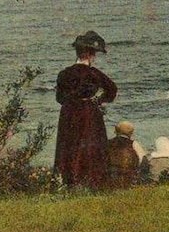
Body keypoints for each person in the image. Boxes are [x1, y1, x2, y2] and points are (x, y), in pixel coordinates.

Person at [53, 31, 118, 190]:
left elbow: (59, 98)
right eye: (94, 54)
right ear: (90, 55)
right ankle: (92, 183)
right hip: (89, 113)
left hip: (68, 113)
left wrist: (70, 102)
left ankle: (68, 182)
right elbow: (112, 90)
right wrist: (98, 100)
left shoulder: (64, 74)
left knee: (68, 145)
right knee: (91, 147)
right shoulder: (94, 73)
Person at [106, 121, 141, 190]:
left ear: (115, 131)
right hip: (128, 179)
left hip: (110, 178)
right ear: (131, 133)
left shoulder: (107, 143)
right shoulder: (133, 144)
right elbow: (142, 160)